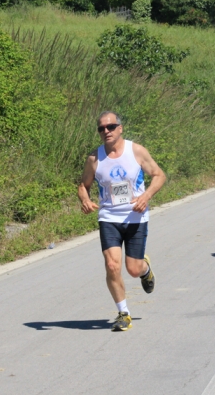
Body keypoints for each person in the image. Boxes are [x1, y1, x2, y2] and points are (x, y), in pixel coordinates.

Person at [78, 111, 167, 332]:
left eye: (110, 127)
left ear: (120, 128)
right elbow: (83, 185)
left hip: (136, 217)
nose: (106, 131)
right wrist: (86, 200)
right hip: (109, 217)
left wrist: (146, 197)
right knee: (112, 265)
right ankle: (123, 312)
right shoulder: (94, 158)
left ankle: (145, 269)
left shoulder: (135, 151)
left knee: (133, 269)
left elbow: (159, 175)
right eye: (101, 128)